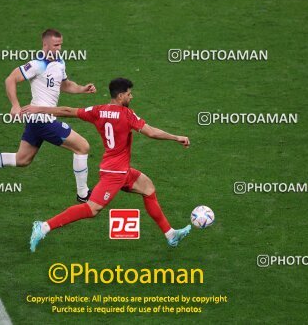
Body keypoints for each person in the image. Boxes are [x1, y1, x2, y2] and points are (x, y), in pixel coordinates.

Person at [22, 77, 192, 252]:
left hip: (118, 169)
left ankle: (170, 234)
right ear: (120, 96)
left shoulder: (98, 111)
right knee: (91, 209)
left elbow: (68, 110)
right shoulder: (127, 114)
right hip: (114, 174)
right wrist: (176, 137)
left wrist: (39, 109)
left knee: (148, 188)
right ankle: (43, 227)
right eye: (129, 94)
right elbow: (151, 133)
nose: (131, 97)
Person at [0, 29, 96, 202]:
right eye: (56, 45)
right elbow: (10, 79)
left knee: (22, 159)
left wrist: (82, 88)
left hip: (37, 120)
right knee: (82, 146)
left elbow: (65, 85)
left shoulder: (60, 61)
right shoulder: (37, 64)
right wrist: (15, 105)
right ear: (45, 45)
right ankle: (83, 194)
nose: (59, 48)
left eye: (61, 45)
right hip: (43, 119)